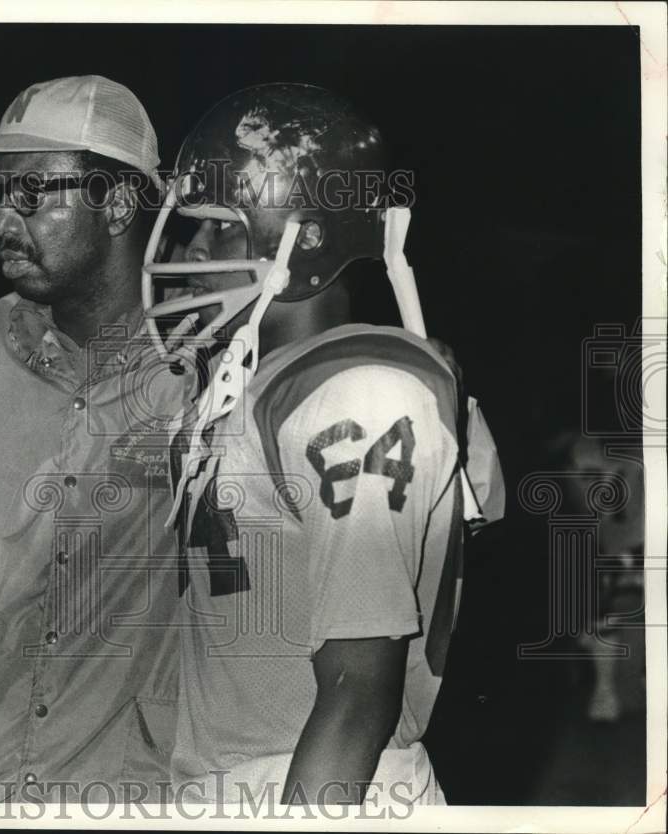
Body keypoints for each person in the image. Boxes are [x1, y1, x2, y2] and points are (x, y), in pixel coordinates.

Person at [141, 83, 505, 806]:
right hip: (239, 781)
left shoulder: (361, 392)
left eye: (214, 228)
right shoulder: (251, 385)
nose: (189, 250)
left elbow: (357, 688)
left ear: (299, 237)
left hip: (324, 784)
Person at [0, 75, 195, 803]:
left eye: (33, 195)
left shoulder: (199, 360)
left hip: (126, 786)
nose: (0, 220)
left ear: (115, 203)